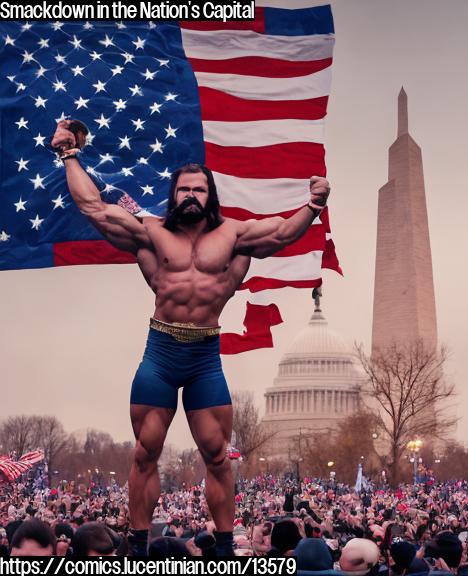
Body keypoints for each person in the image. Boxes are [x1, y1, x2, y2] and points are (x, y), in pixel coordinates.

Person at [50, 119, 332, 557]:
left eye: (199, 190)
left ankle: (222, 551)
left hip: (204, 356)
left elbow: (280, 233)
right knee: (145, 452)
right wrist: (69, 155)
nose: (191, 196)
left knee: (218, 456)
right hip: (160, 353)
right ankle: (139, 550)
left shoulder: (235, 236)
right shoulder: (152, 232)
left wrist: (314, 205)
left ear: (210, 195)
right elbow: (94, 209)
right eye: (183, 190)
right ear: (173, 195)